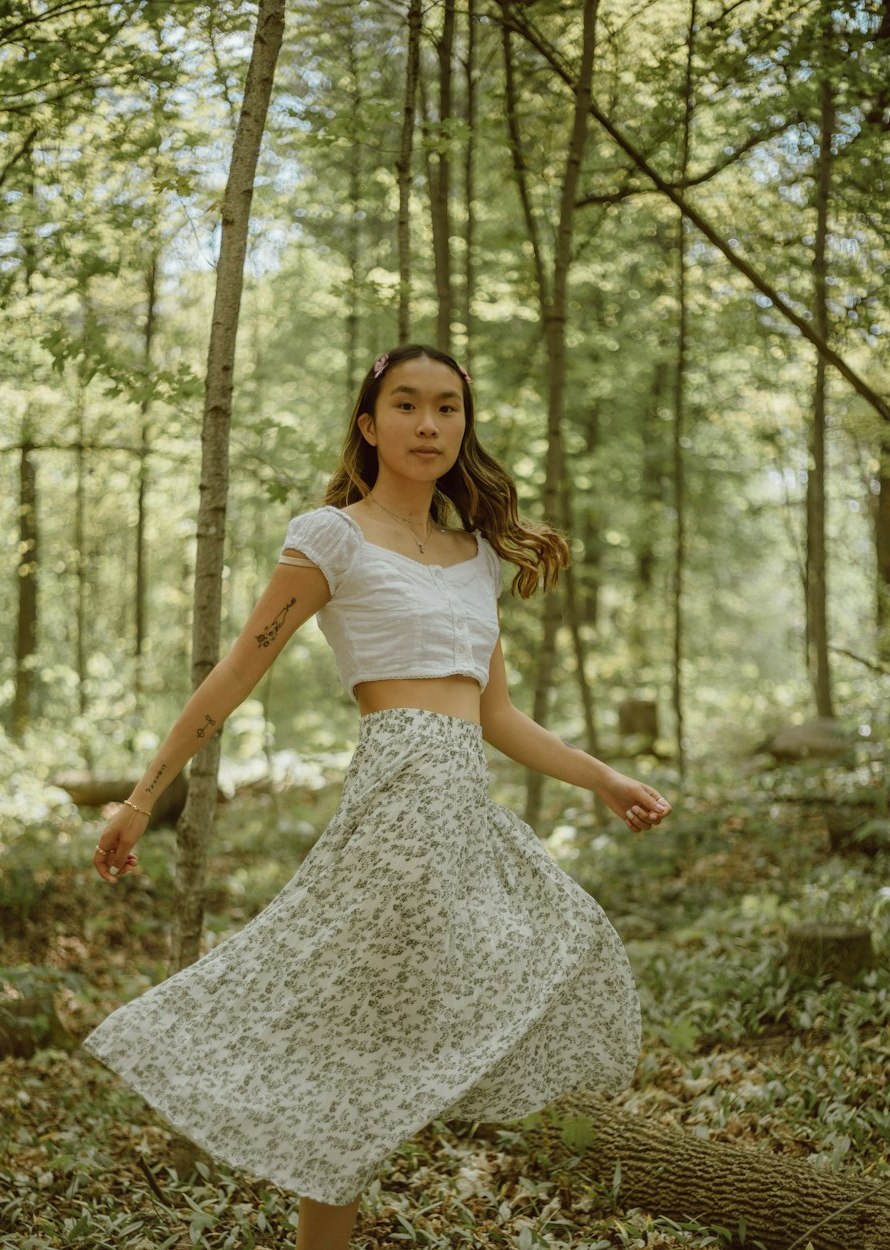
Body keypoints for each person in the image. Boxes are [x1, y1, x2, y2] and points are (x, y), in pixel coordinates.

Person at [84, 343, 672, 1250]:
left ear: (464, 424)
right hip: (393, 812)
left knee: (553, 947)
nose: (428, 424)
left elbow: (499, 716)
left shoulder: (477, 557)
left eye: (447, 407)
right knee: (351, 1054)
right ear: (369, 424)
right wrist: (139, 797)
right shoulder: (332, 538)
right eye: (405, 405)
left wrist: (603, 778)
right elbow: (232, 678)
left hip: (464, 814)